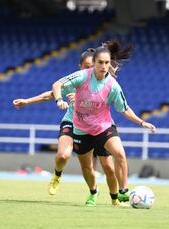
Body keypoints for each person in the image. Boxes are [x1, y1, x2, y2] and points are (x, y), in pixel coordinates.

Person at [13, 49, 127, 206]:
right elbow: (50, 94)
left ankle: (116, 198)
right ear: (80, 66)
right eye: (85, 66)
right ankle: (64, 178)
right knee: (63, 156)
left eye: (90, 66)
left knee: (108, 167)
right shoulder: (76, 81)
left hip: (97, 127)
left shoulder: (103, 82)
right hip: (73, 122)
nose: (89, 69)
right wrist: (27, 101)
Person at [52, 40, 156, 206]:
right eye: (100, 62)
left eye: (107, 62)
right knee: (87, 169)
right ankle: (93, 192)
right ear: (93, 63)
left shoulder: (113, 85)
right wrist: (59, 100)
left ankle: (122, 192)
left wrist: (142, 122)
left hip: (103, 127)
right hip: (81, 129)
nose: (104, 66)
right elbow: (57, 85)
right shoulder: (82, 76)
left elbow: (124, 108)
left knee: (119, 154)